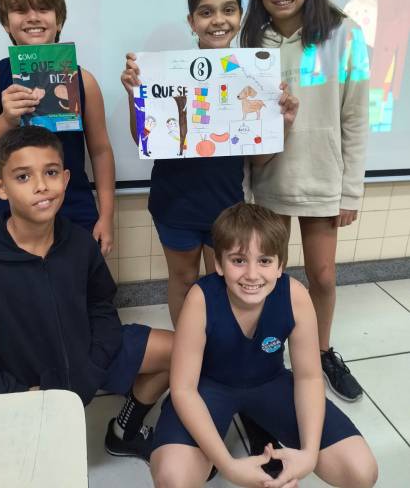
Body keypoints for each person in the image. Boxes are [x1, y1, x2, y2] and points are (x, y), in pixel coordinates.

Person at [0, 126, 172, 461]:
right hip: (28, 385)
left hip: (87, 358)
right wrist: (20, 395)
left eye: (51, 172)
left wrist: (94, 361)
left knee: (179, 351)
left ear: (66, 178)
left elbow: (101, 304)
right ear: (0, 188)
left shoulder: (79, 242)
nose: (41, 185)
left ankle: (124, 432)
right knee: (46, 465)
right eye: (23, 177)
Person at [150, 203, 378, 488]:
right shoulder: (200, 298)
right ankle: (212, 450)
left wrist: (308, 455)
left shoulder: (295, 295)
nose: (252, 274)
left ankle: (259, 423)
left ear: (280, 265)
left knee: (361, 471)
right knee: (173, 478)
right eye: (238, 260)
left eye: (265, 261)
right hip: (209, 388)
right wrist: (228, 465)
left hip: (270, 384)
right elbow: (184, 388)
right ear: (218, 263)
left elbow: (308, 377)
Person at [121, 0, 298, 326]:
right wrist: (135, 97)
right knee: (183, 280)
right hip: (175, 200)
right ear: (191, 21)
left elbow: (260, 158)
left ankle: (220, 348)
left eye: (228, 10)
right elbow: (145, 140)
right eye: (206, 12)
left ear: (240, 16)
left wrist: (283, 123)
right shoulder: (165, 72)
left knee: (223, 283)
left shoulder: (254, 74)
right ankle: (187, 348)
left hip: (226, 205)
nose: (218, 20)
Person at [241, 0, 370, 402]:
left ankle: (320, 352)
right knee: (267, 278)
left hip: (322, 178)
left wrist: (350, 192)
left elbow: (355, 117)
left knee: (323, 276)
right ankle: (268, 356)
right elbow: (242, 123)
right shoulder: (252, 43)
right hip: (269, 181)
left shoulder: (345, 34)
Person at [0, 0, 115, 256]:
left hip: (75, 210)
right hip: (14, 215)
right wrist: (6, 120)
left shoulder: (84, 80)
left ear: (59, 20)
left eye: (43, 9)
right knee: (20, 283)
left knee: (78, 280)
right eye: (20, 10)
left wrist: (106, 216)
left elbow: (100, 151)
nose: (33, 17)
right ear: (6, 22)